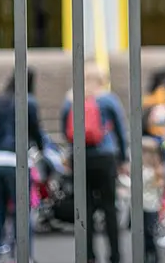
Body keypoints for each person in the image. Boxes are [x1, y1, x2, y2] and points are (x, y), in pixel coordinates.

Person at [61, 63, 128, 263]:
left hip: (82, 157)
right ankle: (114, 255)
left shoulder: (71, 99)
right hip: (105, 157)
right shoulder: (108, 99)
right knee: (109, 207)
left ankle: (88, 255)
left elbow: (65, 131)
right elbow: (120, 131)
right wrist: (123, 158)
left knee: (85, 207)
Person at [0, 68, 45, 262]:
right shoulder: (29, 101)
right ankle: (23, 255)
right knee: (22, 209)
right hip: (15, 159)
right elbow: (36, 132)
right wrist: (40, 149)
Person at [142, 135, 165, 263]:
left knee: (150, 235)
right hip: (141, 205)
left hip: (151, 205)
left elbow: (160, 187)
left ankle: (154, 259)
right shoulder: (141, 167)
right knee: (143, 236)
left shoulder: (156, 169)